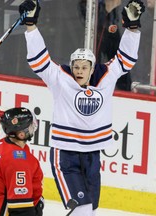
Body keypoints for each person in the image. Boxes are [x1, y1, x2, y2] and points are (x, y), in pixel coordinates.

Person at [19, 0, 145, 215]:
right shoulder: (60, 78)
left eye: (84, 67)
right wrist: (30, 25)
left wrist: (132, 28)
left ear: (92, 68)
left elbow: (126, 59)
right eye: (76, 66)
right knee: (82, 210)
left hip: (92, 154)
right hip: (66, 155)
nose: (79, 70)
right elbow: (39, 60)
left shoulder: (105, 76)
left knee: (91, 210)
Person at [0, 107, 44, 216]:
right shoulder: (18, 162)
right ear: (21, 134)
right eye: (31, 126)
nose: (33, 127)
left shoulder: (2, 144)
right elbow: (21, 209)